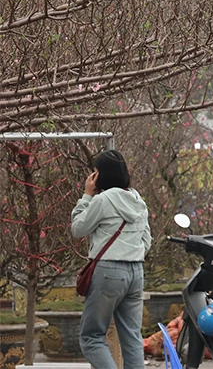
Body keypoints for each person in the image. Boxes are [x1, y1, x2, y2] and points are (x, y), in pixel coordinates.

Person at [71, 150, 151, 369]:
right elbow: (147, 240)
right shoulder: (137, 199)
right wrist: (130, 253)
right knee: (132, 337)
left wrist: (86, 195)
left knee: (91, 337)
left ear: (101, 175)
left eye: (95, 172)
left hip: (108, 270)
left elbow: (78, 228)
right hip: (136, 271)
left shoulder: (103, 200)